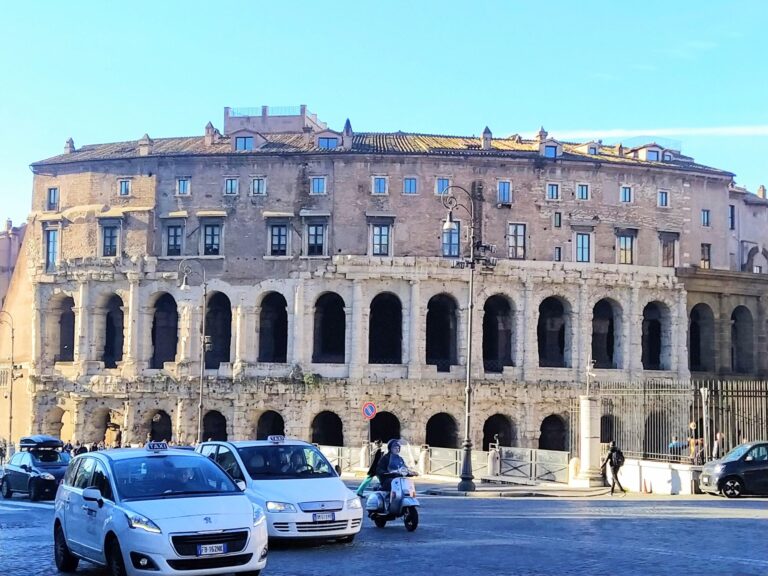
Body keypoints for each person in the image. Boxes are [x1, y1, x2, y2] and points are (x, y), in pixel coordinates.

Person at [376, 439, 406, 510]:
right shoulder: (385, 458)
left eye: (398, 448)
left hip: (398, 479)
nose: (397, 449)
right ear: (390, 448)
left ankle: (401, 501)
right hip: (387, 479)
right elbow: (379, 469)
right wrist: (385, 472)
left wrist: (411, 471)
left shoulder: (400, 459)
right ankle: (387, 500)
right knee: (391, 482)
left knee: (406, 482)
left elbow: (404, 467)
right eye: (395, 447)